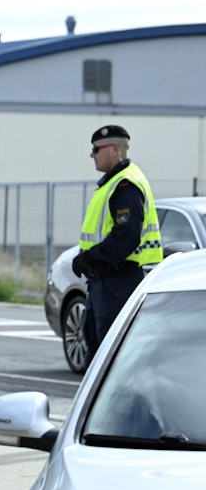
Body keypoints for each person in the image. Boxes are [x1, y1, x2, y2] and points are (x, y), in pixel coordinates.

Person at [73, 124, 162, 363]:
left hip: (118, 284)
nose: (92, 154)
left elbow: (126, 237)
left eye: (96, 149)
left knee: (112, 360)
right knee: (99, 356)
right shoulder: (112, 184)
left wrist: (89, 257)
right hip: (105, 284)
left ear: (115, 149)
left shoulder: (125, 185)